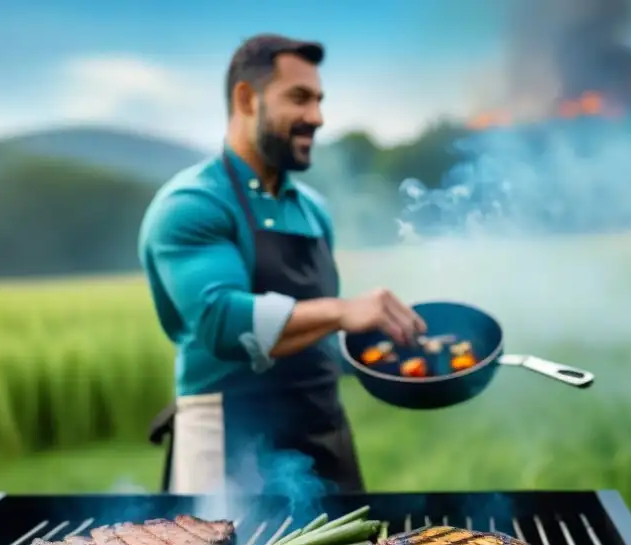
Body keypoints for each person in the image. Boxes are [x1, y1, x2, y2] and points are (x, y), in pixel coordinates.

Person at [139, 34, 426, 495]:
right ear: (246, 98)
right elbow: (221, 320)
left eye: (318, 100)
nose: (316, 117)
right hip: (230, 443)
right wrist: (342, 310)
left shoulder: (312, 209)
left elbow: (313, 335)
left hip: (322, 433)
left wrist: (394, 355)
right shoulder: (192, 203)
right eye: (299, 98)